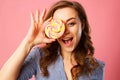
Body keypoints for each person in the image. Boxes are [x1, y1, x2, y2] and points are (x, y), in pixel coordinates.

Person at [0, 0, 105, 80]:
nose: (64, 31)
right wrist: (29, 42)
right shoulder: (40, 56)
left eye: (71, 23)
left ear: (82, 24)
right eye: (59, 25)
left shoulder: (96, 68)